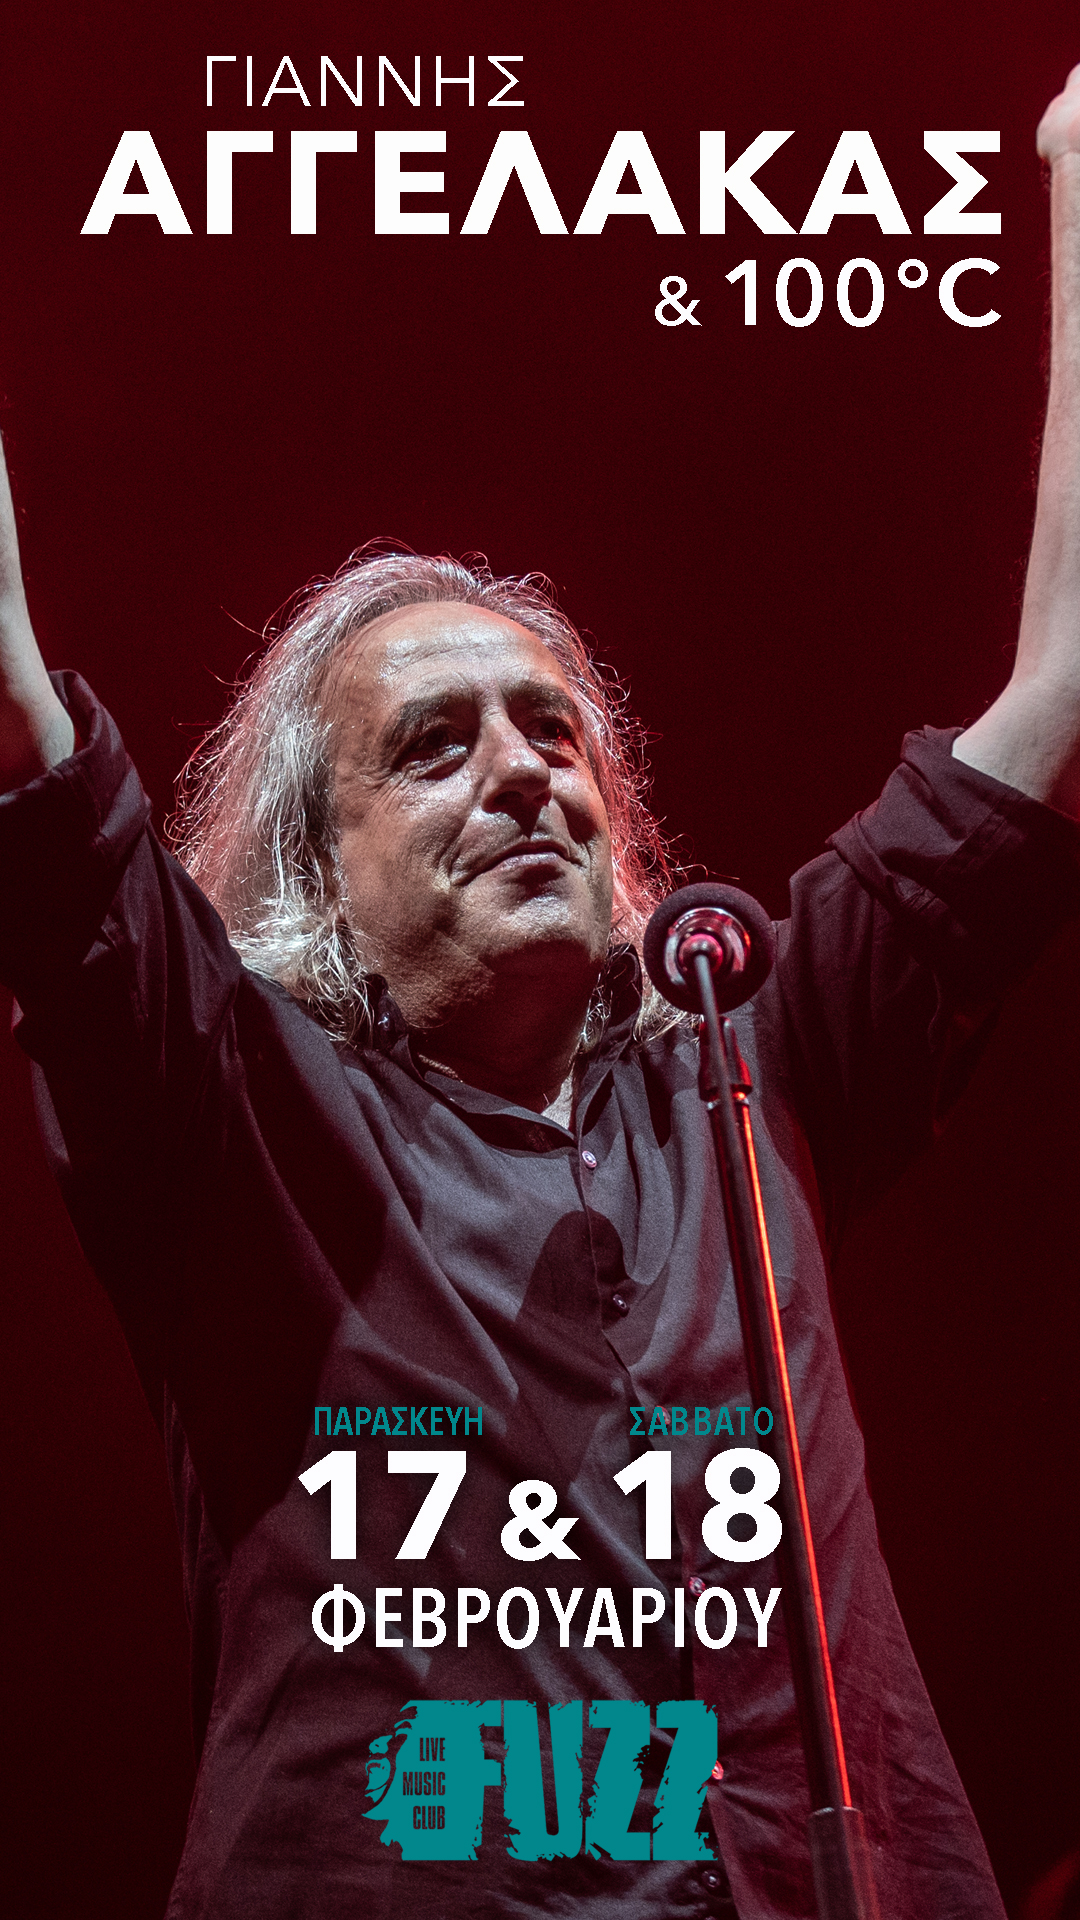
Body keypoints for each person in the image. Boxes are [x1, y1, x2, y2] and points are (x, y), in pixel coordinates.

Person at [2, 65, 1079, 1920]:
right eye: (434, 747)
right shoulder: (231, 1107)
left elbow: (1068, 701)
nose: (525, 773)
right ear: (318, 871)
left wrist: (1074, 170)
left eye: (555, 731)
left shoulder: (754, 1056)